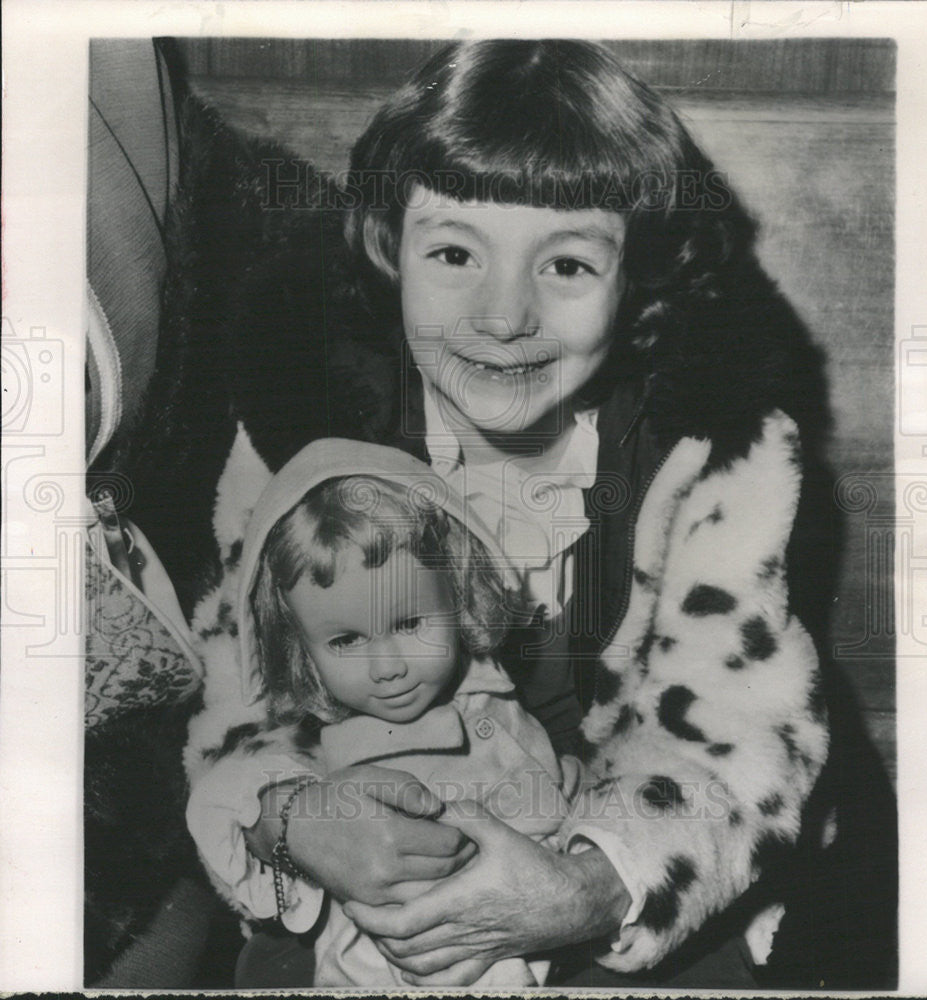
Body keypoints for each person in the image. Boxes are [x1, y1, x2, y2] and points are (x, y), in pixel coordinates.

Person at [163, 39, 844, 987]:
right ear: (383, 247)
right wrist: (295, 819)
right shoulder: (301, 426)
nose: (502, 316)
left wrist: (585, 886)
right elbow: (239, 711)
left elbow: (734, 726)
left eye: (565, 266)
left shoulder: (707, 443)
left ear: (637, 278)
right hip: (371, 849)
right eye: (452, 253)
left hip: (624, 839)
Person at [187, 438, 590, 987]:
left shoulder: (498, 686)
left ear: (458, 593)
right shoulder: (354, 754)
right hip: (413, 958)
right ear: (299, 648)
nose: (387, 667)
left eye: (407, 624)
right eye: (347, 640)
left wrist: (564, 789)